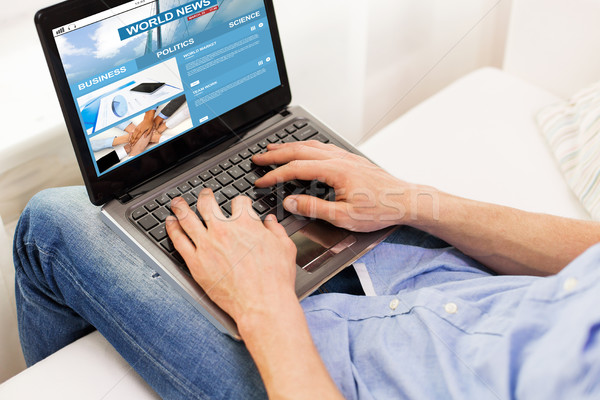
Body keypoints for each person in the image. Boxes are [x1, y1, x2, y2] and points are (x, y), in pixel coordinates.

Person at [13, 141, 600, 399]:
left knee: (52, 222)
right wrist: (412, 199)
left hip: (319, 378)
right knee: (288, 172)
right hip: (448, 286)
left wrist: (263, 303)